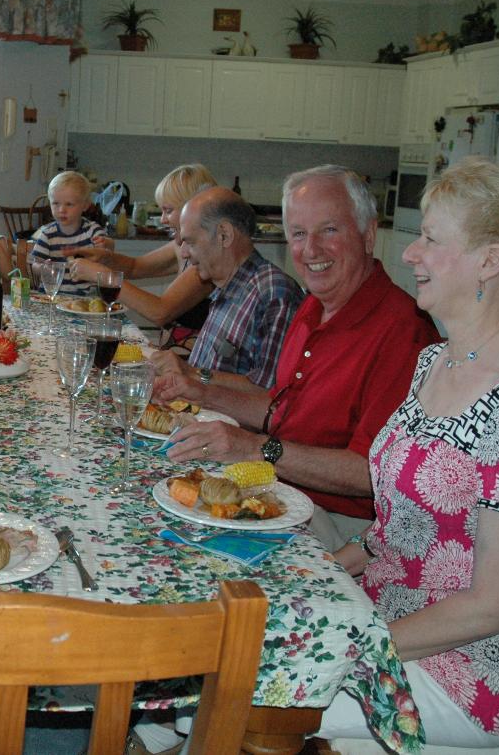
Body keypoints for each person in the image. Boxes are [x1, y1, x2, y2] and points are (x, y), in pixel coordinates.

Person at [319, 158, 499, 747]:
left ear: (491, 261)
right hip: (394, 616)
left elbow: (494, 607)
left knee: (242, 687)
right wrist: (315, 573)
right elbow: (399, 532)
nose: (409, 254)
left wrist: (351, 644)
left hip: (484, 672)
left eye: (429, 238)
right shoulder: (437, 361)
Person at [154, 165, 440, 550]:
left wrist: (255, 448)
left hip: (338, 524)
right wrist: (197, 390)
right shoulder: (314, 307)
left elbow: (372, 473)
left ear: (369, 234)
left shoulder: (403, 330)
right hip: (278, 491)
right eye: (299, 234)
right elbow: (279, 410)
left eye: (330, 230)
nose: (311, 250)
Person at [96, 187, 300, 387]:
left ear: (224, 235)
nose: (183, 253)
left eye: (190, 242)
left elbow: (271, 393)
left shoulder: (273, 293)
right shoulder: (224, 284)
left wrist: (191, 373)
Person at [67, 164, 216, 340]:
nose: (162, 219)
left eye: (168, 211)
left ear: (191, 210)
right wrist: (105, 258)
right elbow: (136, 267)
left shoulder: (207, 258)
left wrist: (102, 275)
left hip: (193, 361)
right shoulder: (181, 246)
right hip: (173, 353)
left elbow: (161, 312)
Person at [29, 170, 107, 297]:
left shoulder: (93, 231)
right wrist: (43, 268)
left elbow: (105, 254)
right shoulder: (47, 234)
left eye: (69, 204)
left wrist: (103, 246)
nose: (61, 210)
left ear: (85, 205)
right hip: (52, 297)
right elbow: (35, 265)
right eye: (55, 203)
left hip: (85, 299)